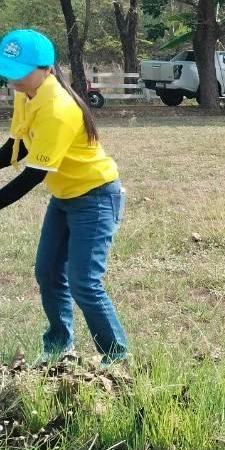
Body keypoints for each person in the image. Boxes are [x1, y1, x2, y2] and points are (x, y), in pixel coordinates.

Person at [0, 28, 129, 368]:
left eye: (19, 70)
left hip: (96, 198)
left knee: (84, 282)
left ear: (46, 67)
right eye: (8, 68)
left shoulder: (58, 108)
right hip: (64, 196)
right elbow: (22, 145)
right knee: (47, 272)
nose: (12, 78)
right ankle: (58, 348)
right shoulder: (26, 93)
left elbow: (33, 174)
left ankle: (116, 358)